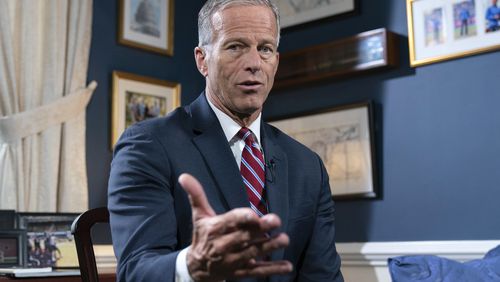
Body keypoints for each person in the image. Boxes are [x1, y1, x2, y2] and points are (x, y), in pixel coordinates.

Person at [108, 0, 344, 281]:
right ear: (202, 60)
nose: (254, 63)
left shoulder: (308, 166)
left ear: (276, 63)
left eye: (265, 49)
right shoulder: (147, 146)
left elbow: (323, 276)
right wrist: (193, 265)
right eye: (235, 47)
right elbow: (136, 272)